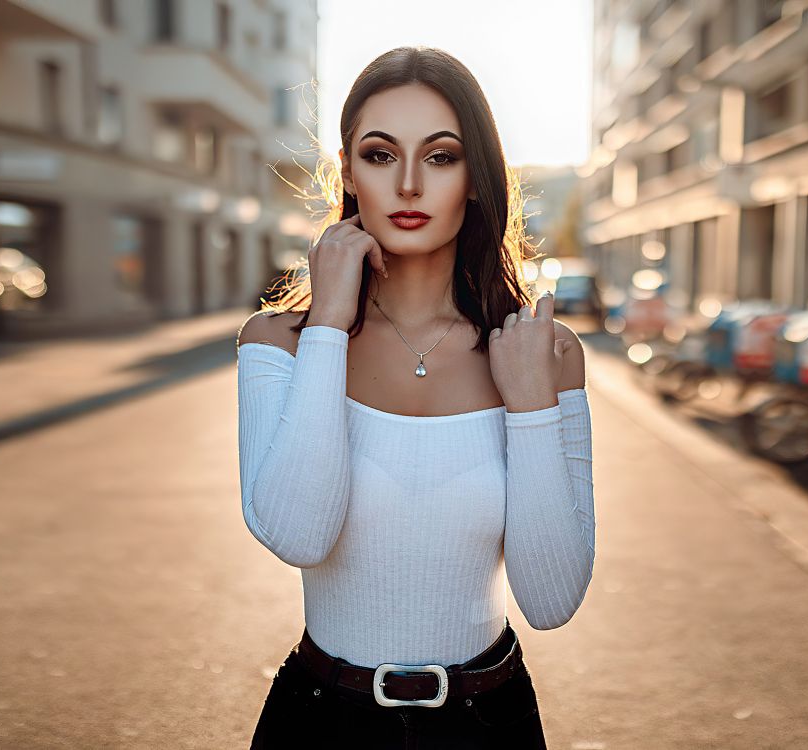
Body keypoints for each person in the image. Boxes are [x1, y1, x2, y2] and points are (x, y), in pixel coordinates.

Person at [235, 46, 595, 749]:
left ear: (476, 177)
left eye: (438, 157)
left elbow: (550, 602)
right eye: (378, 154)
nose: (406, 184)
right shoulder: (278, 342)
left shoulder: (541, 354)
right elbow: (298, 533)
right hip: (320, 722)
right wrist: (329, 329)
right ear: (347, 172)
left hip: (489, 724)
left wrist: (529, 407)